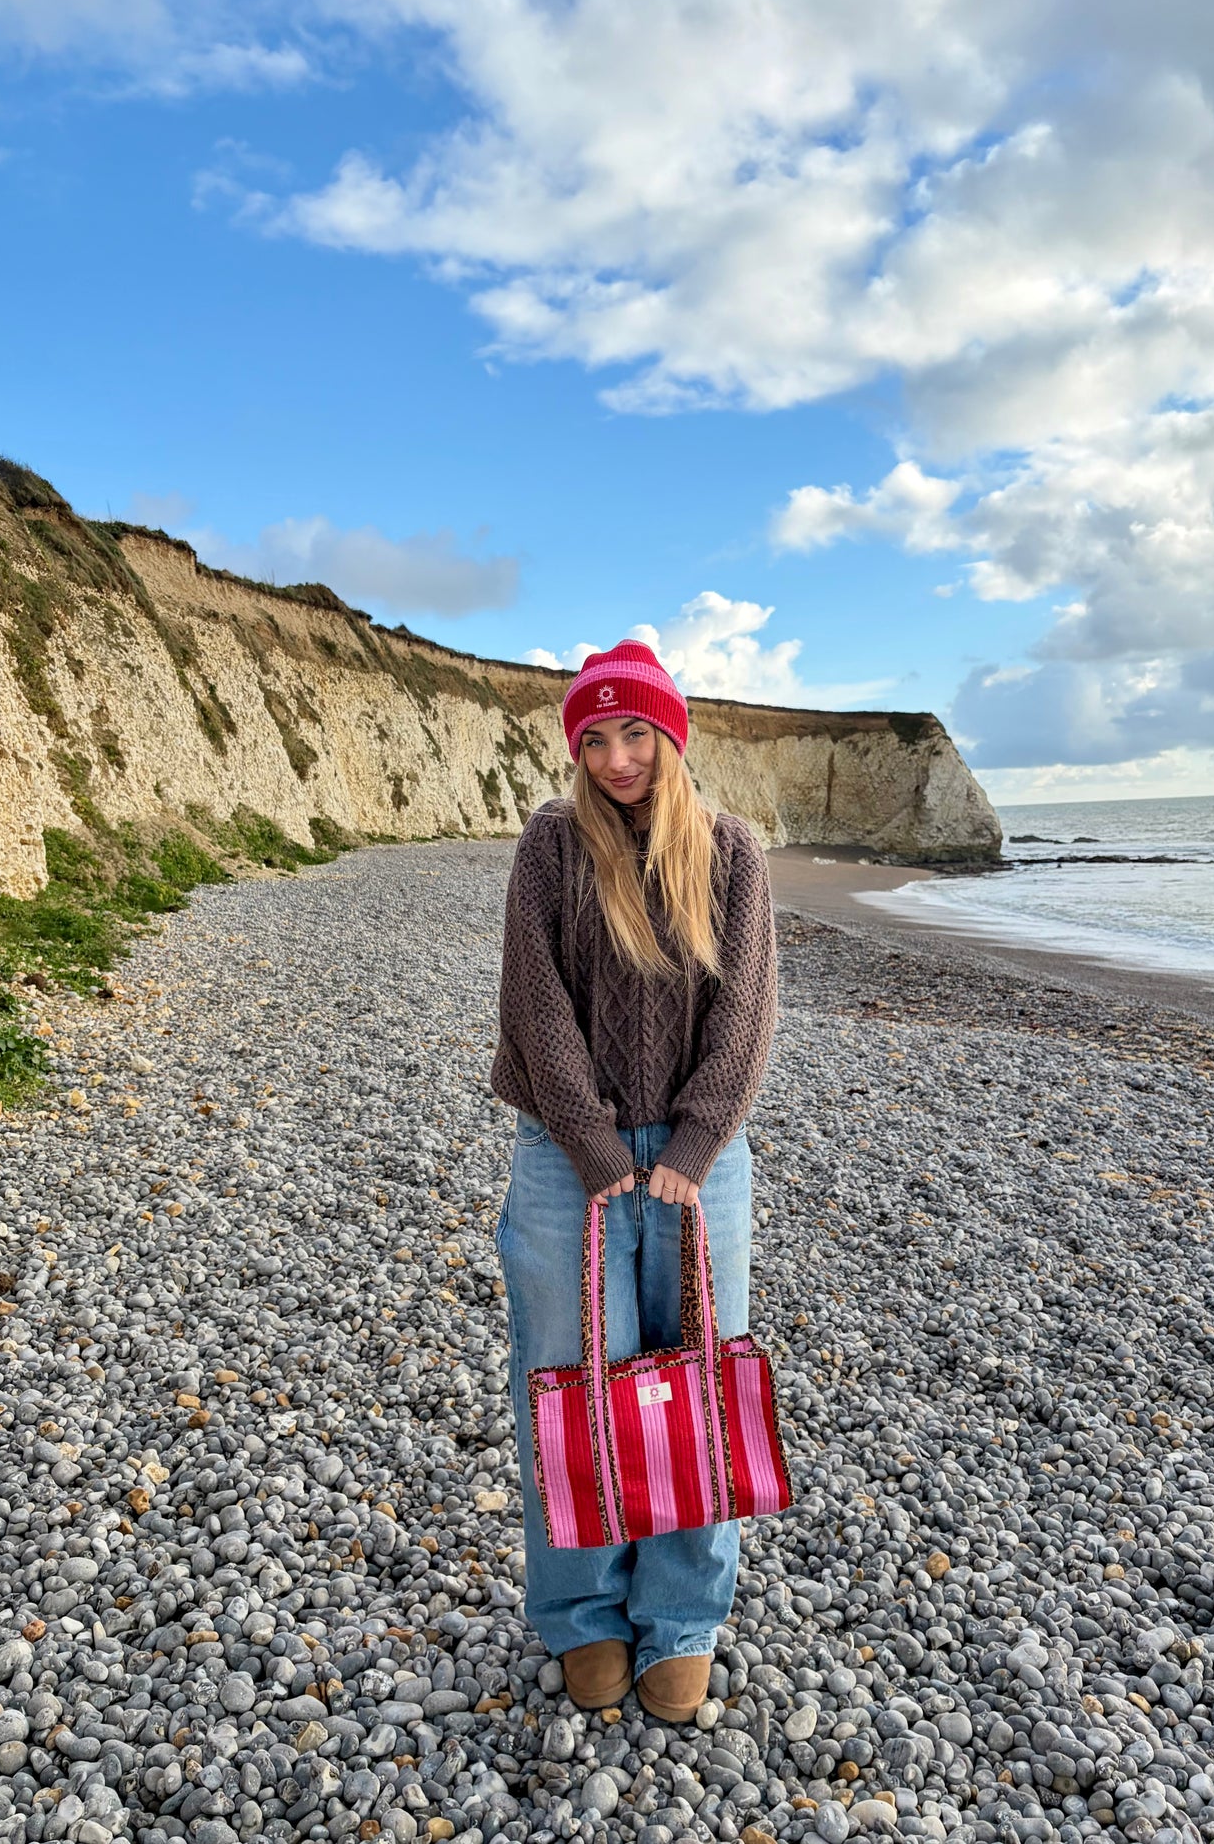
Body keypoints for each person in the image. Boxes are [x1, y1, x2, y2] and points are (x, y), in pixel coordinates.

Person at [489, 637, 779, 1724]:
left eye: (636, 732)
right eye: (596, 737)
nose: (617, 757)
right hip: (568, 1157)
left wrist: (692, 1148)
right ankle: (582, 1615)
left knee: (695, 1380)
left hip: (704, 1158)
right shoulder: (552, 844)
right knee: (568, 1381)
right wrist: (598, 1149)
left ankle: (682, 1617)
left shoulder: (732, 850)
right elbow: (535, 1002)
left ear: (672, 736)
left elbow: (745, 1012)